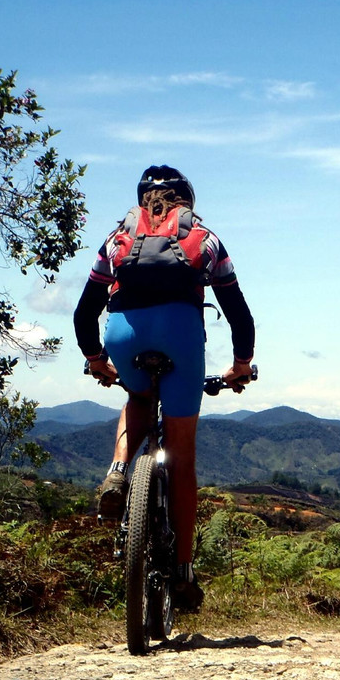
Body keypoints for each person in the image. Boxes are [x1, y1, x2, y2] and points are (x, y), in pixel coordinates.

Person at [73, 165, 255, 612]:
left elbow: (83, 312)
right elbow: (238, 313)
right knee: (183, 459)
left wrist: (97, 359)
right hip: (182, 336)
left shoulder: (117, 240)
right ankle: (185, 571)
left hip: (123, 334)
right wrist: (240, 366)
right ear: (185, 200)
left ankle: (118, 470)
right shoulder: (205, 239)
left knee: (137, 396)